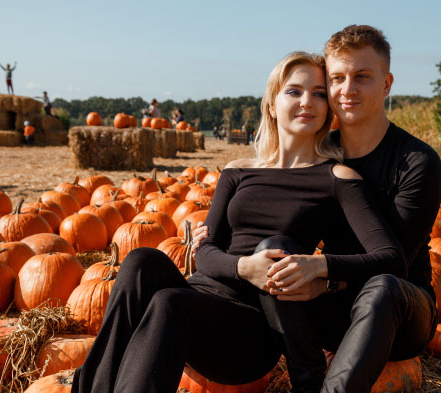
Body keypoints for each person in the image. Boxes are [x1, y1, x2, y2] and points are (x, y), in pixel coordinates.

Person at [72, 51, 404, 393]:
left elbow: (390, 256)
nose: (307, 101)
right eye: (294, 91)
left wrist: (318, 266)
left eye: (319, 93)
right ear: (273, 105)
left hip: (252, 330)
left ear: (328, 108)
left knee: (170, 302)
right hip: (200, 295)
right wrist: (245, 267)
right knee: (142, 260)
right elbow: (205, 253)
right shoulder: (237, 170)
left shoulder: (336, 177)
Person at [194, 25, 441, 392]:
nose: (348, 89)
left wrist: (326, 279)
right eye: (337, 79)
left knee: (382, 288)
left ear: (387, 84)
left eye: (362, 77)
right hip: (327, 303)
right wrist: (215, 237)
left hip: (399, 309)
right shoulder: (318, 152)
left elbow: (397, 261)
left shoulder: (417, 162)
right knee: (276, 253)